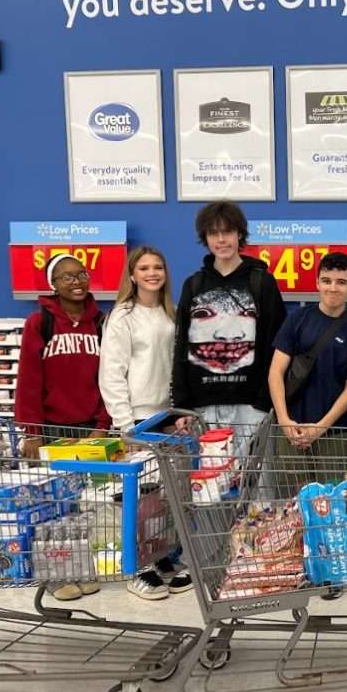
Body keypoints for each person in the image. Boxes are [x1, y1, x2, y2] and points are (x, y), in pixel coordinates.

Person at [99, 245, 192, 601]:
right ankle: (138, 569)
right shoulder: (123, 316)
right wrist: (125, 425)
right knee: (140, 501)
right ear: (133, 275)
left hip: (167, 418)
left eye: (158, 267)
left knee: (168, 499)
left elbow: (178, 367)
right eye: (144, 268)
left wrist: (180, 412)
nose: (152, 273)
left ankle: (163, 558)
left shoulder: (172, 314)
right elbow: (111, 374)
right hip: (137, 420)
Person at [15, 253, 110, 601]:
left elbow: (108, 379)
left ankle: (82, 569)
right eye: (67, 277)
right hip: (52, 429)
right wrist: (32, 432)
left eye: (81, 274)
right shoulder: (39, 323)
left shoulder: (100, 322)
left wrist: (102, 425)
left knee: (86, 509)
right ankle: (57, 575)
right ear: (53, 284)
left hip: (90, 430)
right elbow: (28, 379)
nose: (76, 281)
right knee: (52, 509)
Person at [171, 201, 285, 450]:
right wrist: (183, 405)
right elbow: (181, 348)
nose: (221, 240)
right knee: (207, 486)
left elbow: (276, 345)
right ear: (205, 238)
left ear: (240, 234)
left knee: (255, 486)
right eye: (213, 233)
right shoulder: (193, 285)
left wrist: (264, 401)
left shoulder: (261, 282)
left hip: (252, 406)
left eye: (228, 232)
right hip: (203, 408)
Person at [268, 252, 347, 483]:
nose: (333, 288)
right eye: (326, 280)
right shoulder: (297, 319)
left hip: (334, 433)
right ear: (317, 283)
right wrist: (284, 420)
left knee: (330, 503)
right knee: (290, 505)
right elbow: (275, 372)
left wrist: (320, 428)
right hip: (290, 430)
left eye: (341, 282)